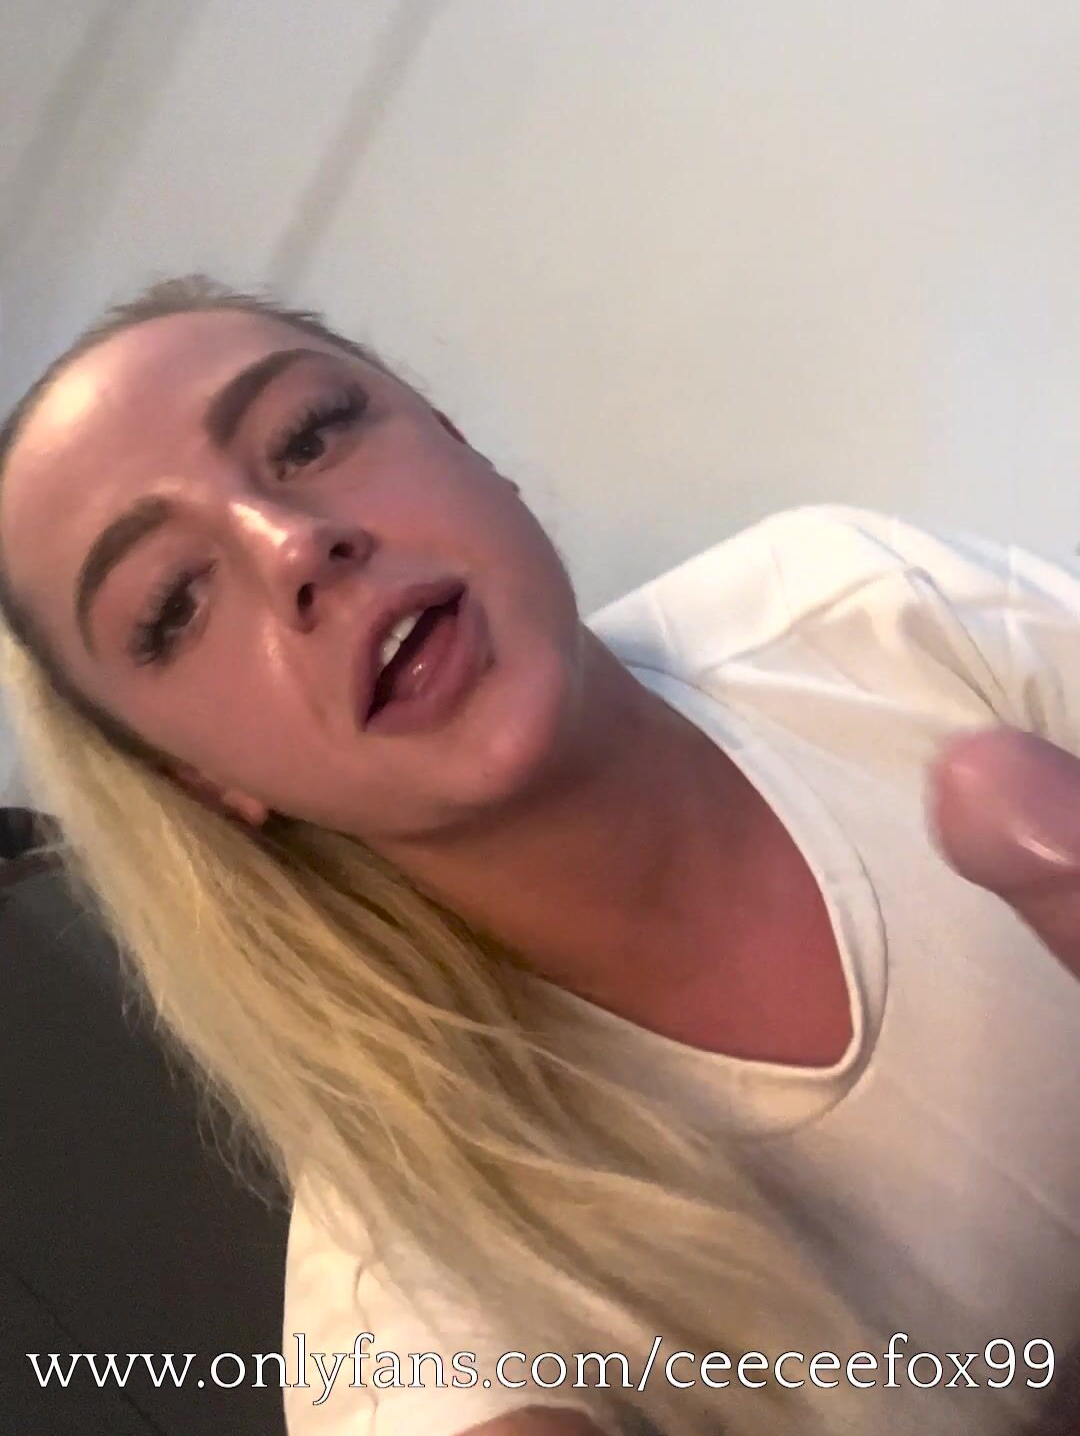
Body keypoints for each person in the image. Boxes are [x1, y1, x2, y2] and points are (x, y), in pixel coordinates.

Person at [1, 274, 1079, 1436]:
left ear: (461, 443)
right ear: (205, 783)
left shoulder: (862, 604)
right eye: (174, 603)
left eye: (307, 435)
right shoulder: (405, 1301)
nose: (295, 541)